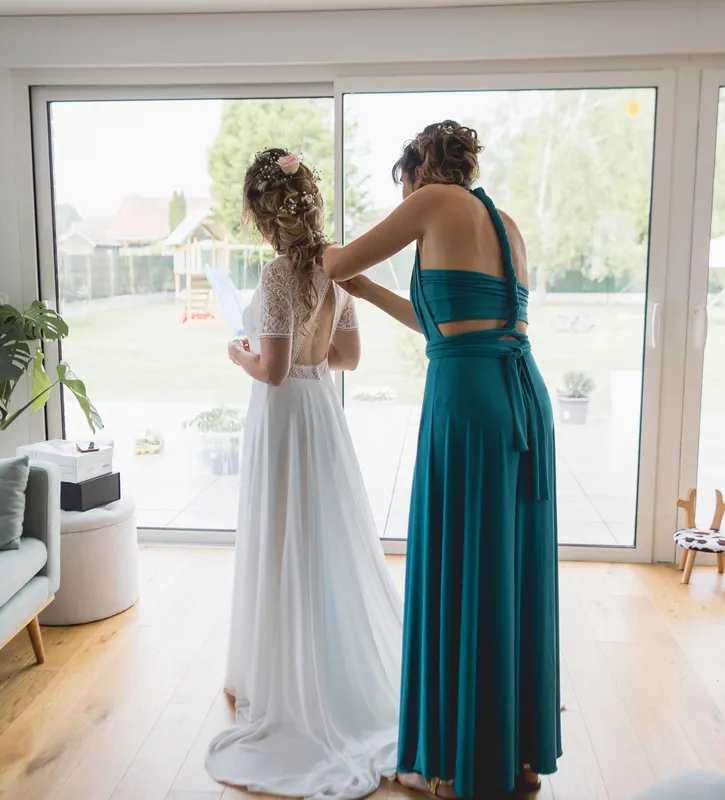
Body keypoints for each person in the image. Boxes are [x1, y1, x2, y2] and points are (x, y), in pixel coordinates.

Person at [324, 122, 562, 798]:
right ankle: (512, 756)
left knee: (460, 564)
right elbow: (451, 322)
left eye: (403, 188)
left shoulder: (431, 201)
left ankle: (456, 765)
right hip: (522, 397)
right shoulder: (504, 221)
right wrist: (371, 294)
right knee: (506, 570)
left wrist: (319, 249)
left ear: (418, 173)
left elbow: (335, 265)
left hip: (470, 403)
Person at [205, 148, 402, 800]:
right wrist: (309, 344)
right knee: (325, 540)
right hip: (322, 414)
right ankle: (334, 662)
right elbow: (347, 356)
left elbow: (273, 371)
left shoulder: (274, 277)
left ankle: (284, 676)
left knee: (281, 535)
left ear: (265, 221)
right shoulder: (335, 268)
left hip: (284, 417)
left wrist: (240, 352)